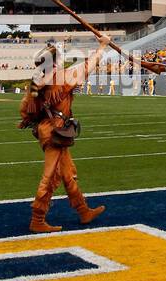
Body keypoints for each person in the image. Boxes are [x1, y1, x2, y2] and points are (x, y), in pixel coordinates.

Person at [19, 37, 110, 233]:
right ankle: (37, 218)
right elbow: (89, 66)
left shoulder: (37, 82)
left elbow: (25, 111)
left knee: (69, 174)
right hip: (56, 131)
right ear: (55, 62)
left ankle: (83, 211)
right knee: (50, 177)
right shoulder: (61, 78)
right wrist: (102, 45)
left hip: (47, 130)